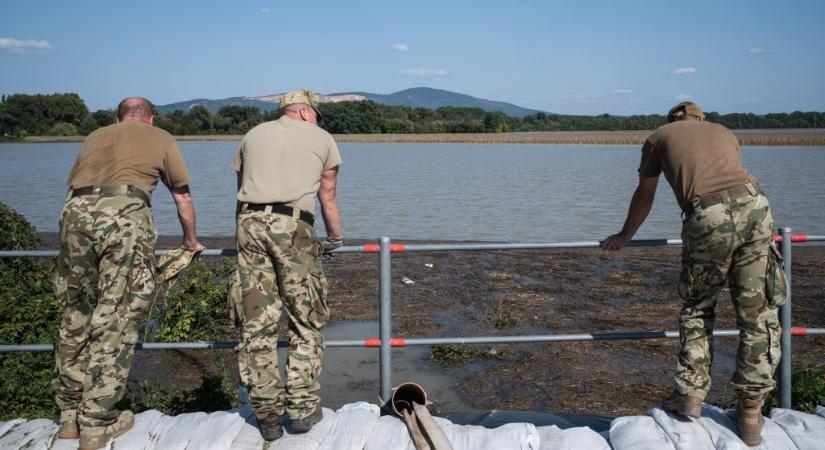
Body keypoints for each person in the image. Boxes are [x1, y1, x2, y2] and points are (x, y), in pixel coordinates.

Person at [601, 102, 785, 446]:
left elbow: (645, 193)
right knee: (758, 314)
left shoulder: (658, 137)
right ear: (701, 119)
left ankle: (690, 394)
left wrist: (624, 236)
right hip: (756, 206)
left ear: (673, 120)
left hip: (707, 214)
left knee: (699, 308)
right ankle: (750, 412)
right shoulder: (724, 131)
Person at [52, 97, 204, 450]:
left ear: (117, 118)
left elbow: (72, 185)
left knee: (75, 313)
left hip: (75, 214)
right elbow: (182, 196)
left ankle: (69, 418)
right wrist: (190, 240)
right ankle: (96, 421)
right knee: (116, 315)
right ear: (149, 118)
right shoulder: (161, 137)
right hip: (123, 215)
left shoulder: (94, 136)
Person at [232, 89, 342, 441]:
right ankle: (301, 409)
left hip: (248, 226)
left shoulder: (251, 136)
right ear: (308, 113)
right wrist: (336, 239)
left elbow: (240, 190)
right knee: (305, 320)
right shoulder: (323, 138)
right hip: (293, 228)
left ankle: (266, 414)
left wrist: (244, 237)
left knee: (257, 325)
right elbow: (328, 195)